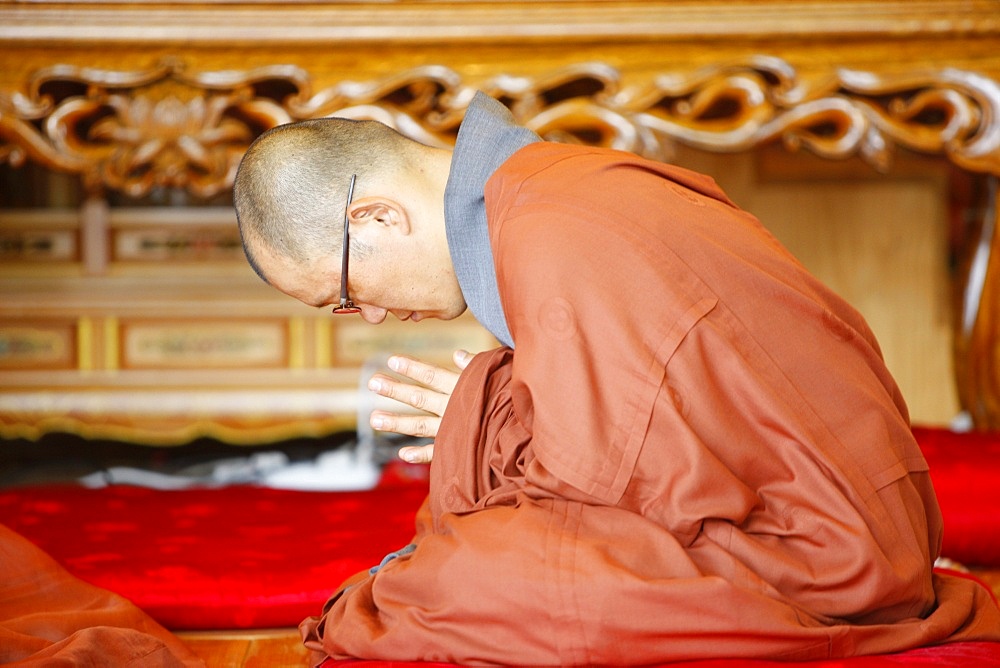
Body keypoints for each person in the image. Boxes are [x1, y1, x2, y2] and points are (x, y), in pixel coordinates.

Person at [232, 92, 1000, 665]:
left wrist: (486, 423)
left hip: (826, 555)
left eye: (343, 295)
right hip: (833, 511)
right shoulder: (549, 190)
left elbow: (601, 487)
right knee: (456, 575)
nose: (364, 317)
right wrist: (489, 406)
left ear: (375, 219)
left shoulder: (557, 232)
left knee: (463, 586)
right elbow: (651, 434)